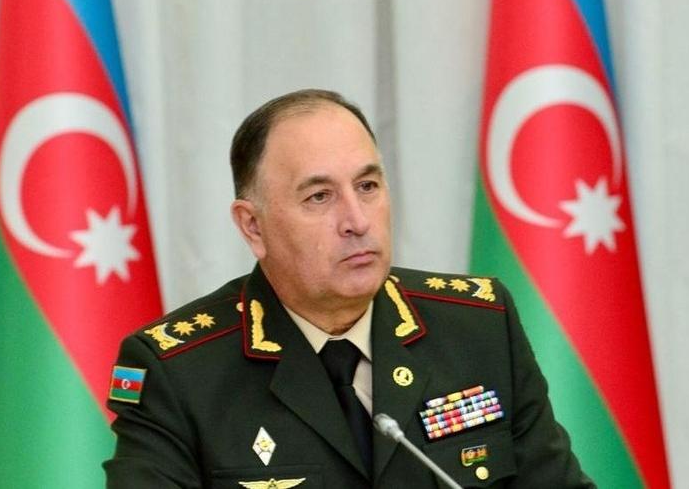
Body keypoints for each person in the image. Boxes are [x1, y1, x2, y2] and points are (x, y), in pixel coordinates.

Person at [104, 89, 595, 488]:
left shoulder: (477, 326)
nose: (357, 221)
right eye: (320, 197)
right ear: (253, 226)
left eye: (367, 187)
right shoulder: (179, 373)